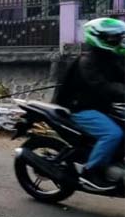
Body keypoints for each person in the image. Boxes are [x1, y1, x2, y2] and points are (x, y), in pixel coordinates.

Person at [54, 18, 125, 189]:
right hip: (81, 108)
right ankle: (90, 171)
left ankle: (113, 161)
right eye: (111, 38)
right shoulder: (88, 62)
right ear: (97, 37)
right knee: (113, 134)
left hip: (102, 107)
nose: (116, 41)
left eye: (118, 37)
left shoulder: (112, 57)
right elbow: (104, 86)